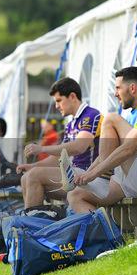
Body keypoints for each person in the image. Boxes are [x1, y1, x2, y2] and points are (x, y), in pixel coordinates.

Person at [70, 66, 137, 212]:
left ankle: (101, 178)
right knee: (76, 195)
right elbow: (110, 153)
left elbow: (129, 149)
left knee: (110, 118)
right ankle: (105, 233)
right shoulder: (132, 116)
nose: (115, 94)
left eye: (118, 88)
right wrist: (85, 175)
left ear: (132, 88)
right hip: (136, 178)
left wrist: (93, 174)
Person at [17, 78, 109, 208]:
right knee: (26, 177)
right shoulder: (71, 124)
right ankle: (33, 220)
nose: (56, 106)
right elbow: (58, 157)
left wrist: (42, 149)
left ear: (72, 96)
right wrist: (32, 165)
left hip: (90, 175)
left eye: (59, 100)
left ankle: (32, 223)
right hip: (74, 174)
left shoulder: (91, 114)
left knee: (34, 176)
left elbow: (79, 147)